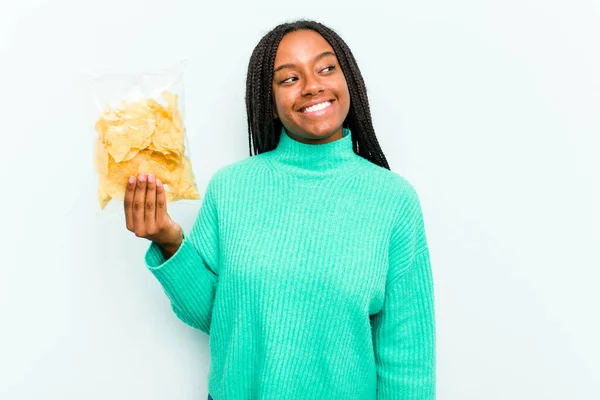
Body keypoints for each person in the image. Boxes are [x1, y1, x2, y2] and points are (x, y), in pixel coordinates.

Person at [124, 19, 436, 400]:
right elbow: (223, 318)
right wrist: (170, 243)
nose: (312, 85)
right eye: (289, 79)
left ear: (347, 80)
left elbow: (408, 357)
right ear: (268, 102)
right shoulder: (231, 188)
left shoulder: (393, 201)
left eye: (326, 68)